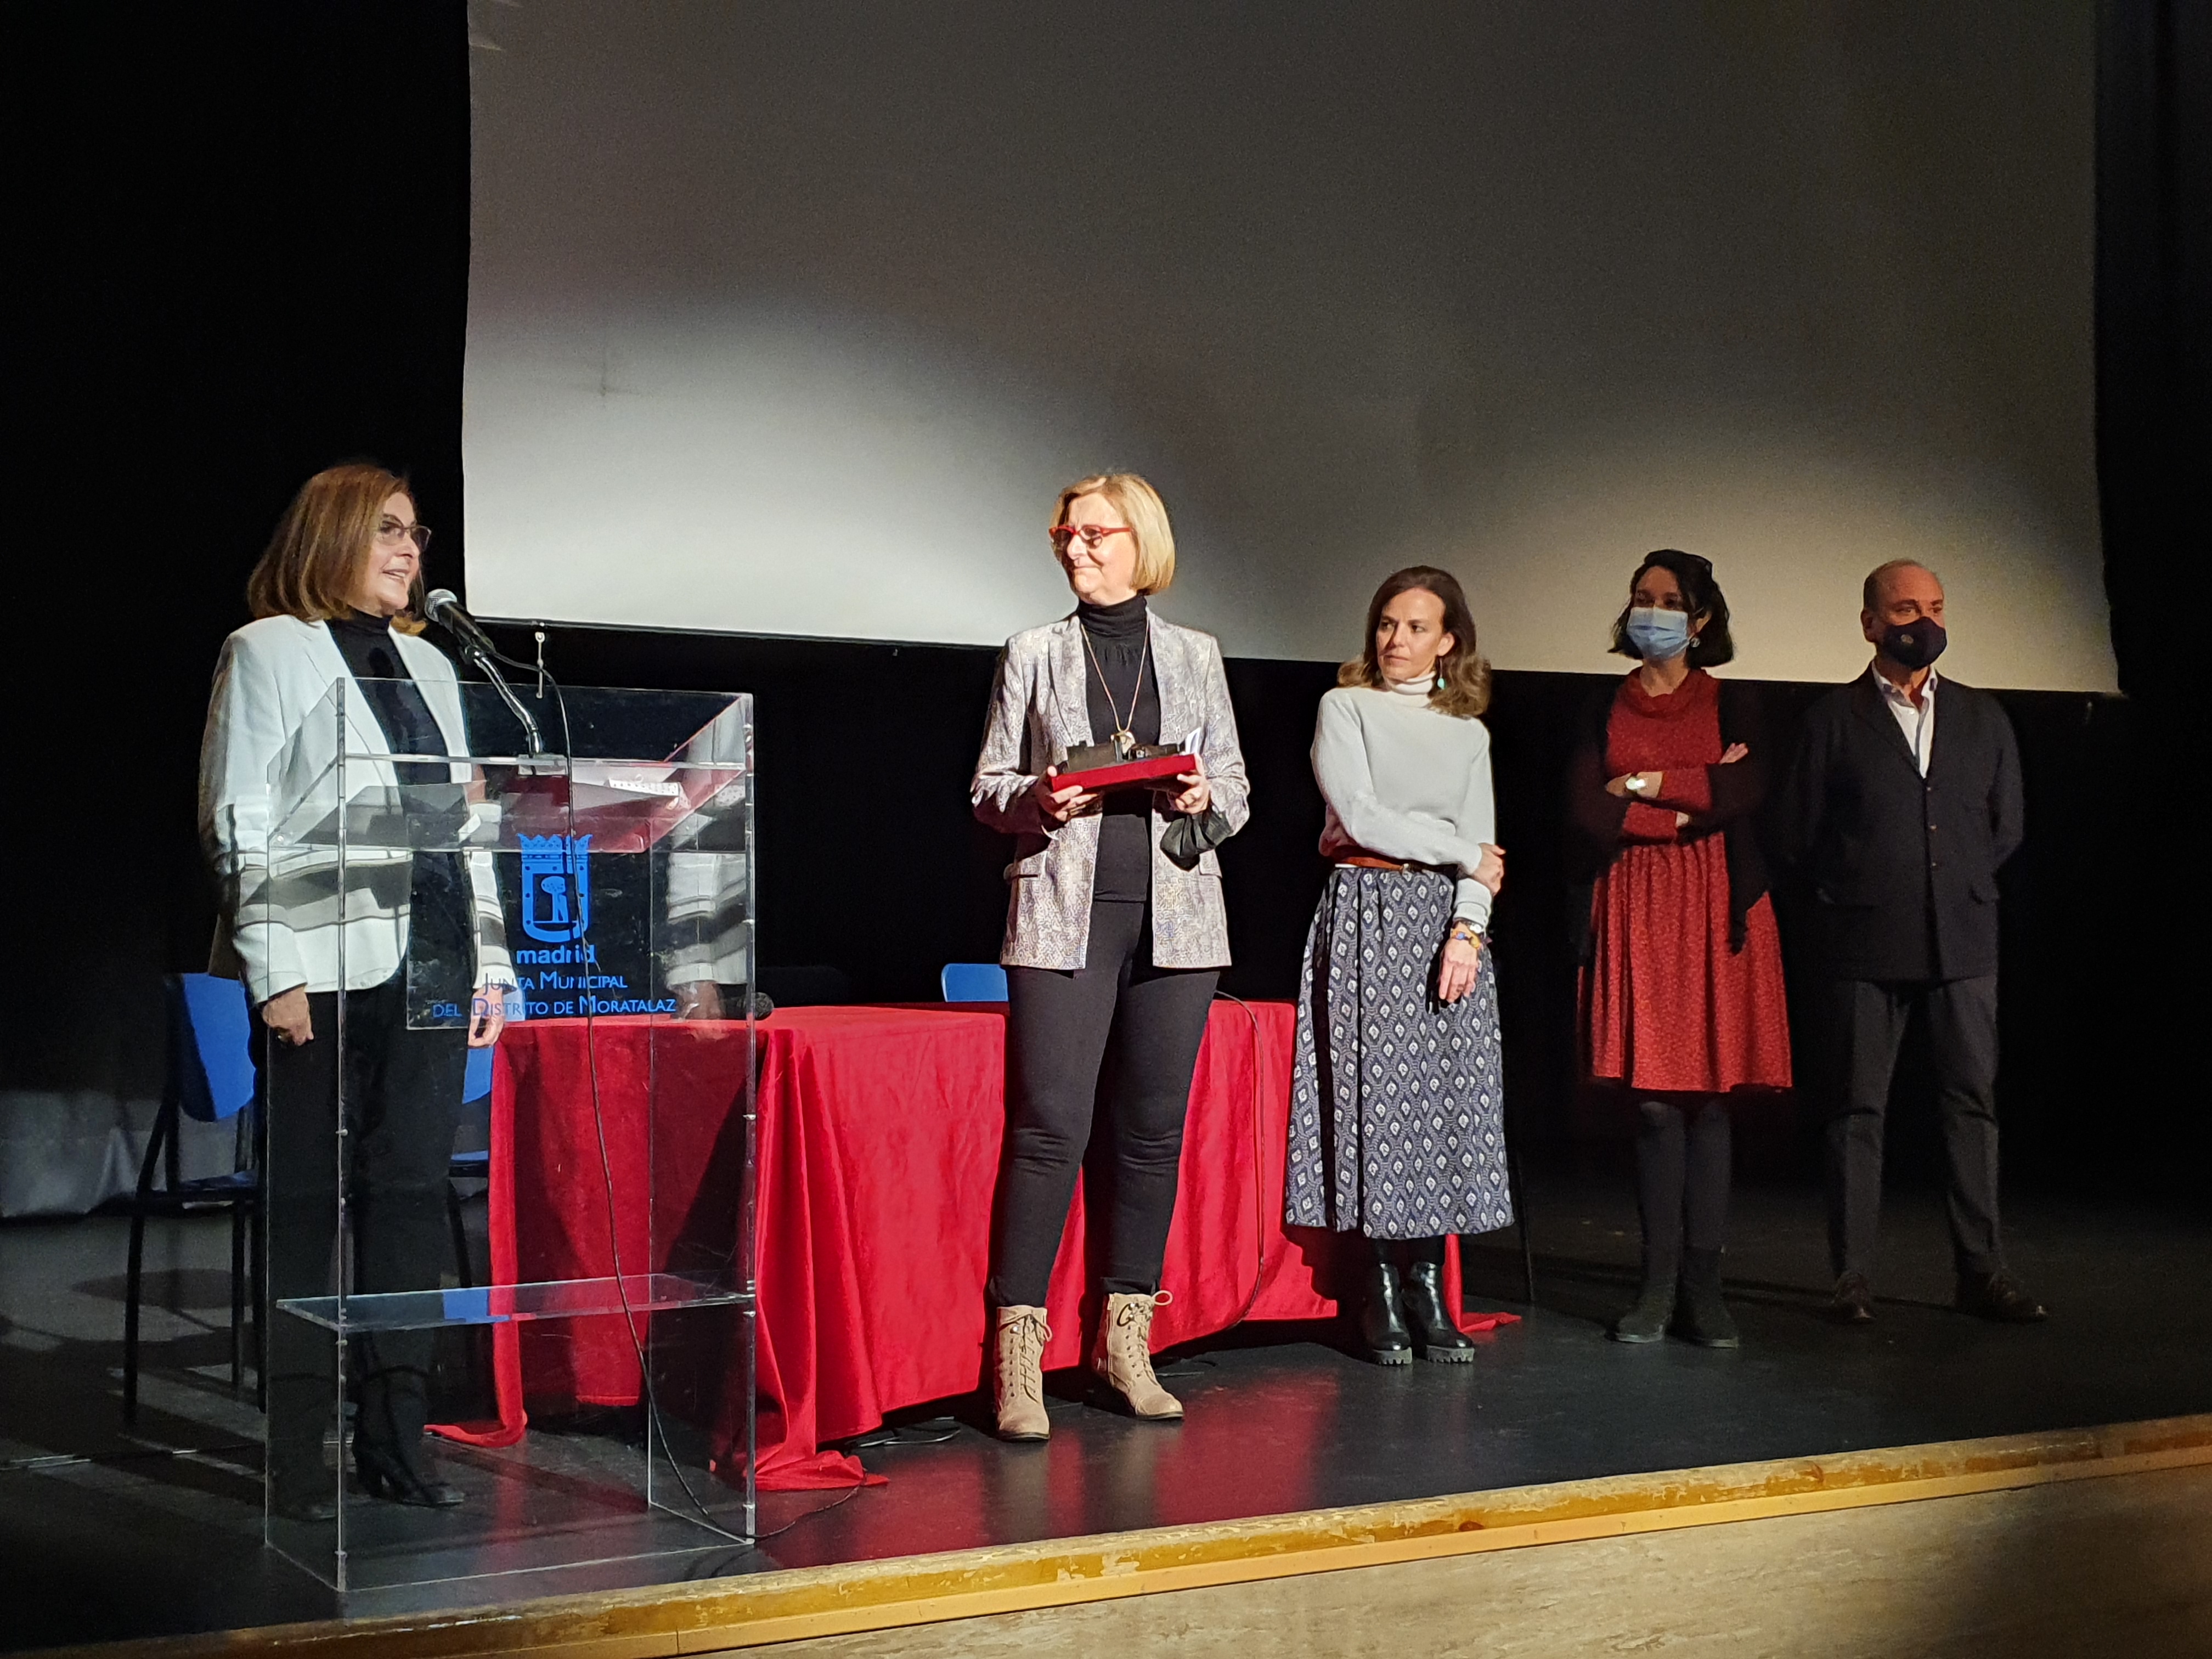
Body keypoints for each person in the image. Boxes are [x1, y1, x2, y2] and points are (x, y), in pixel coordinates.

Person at [199, 463, 514, 1519]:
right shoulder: (267, 650)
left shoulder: (431, 665)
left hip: (433, 959)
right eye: (387, 529)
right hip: (320, 965)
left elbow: (465, 824)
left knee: (411, 1197)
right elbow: (239, 814)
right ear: (330, 534)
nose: (410, 550)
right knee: (304, 1206)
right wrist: (273, 966)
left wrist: (492, 960)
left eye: (416, 533)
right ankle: (297, 1452)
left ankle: (396, 1438)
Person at [971, 472, 1250, 1440]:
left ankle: (1124, 1345)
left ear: (1142, 542)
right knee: (1050, 1130)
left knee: (1151, 1135)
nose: (1076, 548)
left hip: (1179, 920)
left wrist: (1204, 798)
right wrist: (1038, 798)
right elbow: (987, 786)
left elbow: (1238, 787)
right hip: (1061, 916)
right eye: (1068, 535)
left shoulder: (1196, 654)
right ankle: (1017, 1360)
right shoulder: (1034, 652)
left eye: (1096, 534)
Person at [1775, 560, 2045, 1326]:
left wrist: (1953, 881)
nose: (1922, 622)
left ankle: (1982, 1272)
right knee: (1857, 1109)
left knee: (1971, 1105)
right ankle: (1852, 1277)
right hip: (1864, 938)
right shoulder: (1833, 719)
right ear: (1870, 624)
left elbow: (2006, 825)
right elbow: (1796, 832)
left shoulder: (1983, 717)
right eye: (1904, 609)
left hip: (1963, 937)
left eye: (1934, 606)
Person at [1565, 551, 1792, 1348]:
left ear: (1700, 621)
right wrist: (1692, 796)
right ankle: (1657, 1285)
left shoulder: (1736, 702)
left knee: (1710, 1102)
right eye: (1641, 598)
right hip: (1635, 905)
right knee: (1656, 1107)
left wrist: (1641, 784)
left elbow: (1745, 793)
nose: (1651, 612)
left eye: (1668, 601)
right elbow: (1586, 809)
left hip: (1716, 905)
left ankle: (1706, 1289)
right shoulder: (1601, 703)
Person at [1285, 566, 1510, 1365]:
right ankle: (1377, 1286)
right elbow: (1361, 815)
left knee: (1441, 1105)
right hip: (1367, 907)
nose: (1396, 640)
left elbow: (1483, 850)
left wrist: (1468, 931)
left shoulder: (1468, 733)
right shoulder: (1345, 707)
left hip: (1441, 918)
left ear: (1449, 642)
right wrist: (1465, 855)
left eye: (1416, 628)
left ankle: (1428, 1286)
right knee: (1377, 1103)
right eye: (1387, 623)